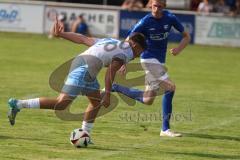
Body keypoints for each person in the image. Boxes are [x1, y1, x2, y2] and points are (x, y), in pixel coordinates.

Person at [7, 19, 147, 141]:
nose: (139, 55)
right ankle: (18, 104)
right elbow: (110, 72)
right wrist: (108, 94)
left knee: (95, 102)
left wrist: (62, 34)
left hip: (84, 66)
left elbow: (83, 39)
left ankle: (85, 135)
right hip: (85, 69)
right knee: (61, 104)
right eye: (141, 51)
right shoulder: (128, 51)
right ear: (135, 45)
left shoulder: (111, 41)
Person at [111, 0, 191, 137]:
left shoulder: (170, 18)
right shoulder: (145, 22)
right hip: (148, 59)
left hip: (159, 62)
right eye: (154, 6)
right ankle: (165, 129)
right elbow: (127, 40)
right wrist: (123, 60)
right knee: (170, 87)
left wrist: (179, 48)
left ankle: (116, 87)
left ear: (164, 6)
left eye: (160, 6)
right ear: (150, 6)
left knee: (148, 100)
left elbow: (186, 36)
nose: (156, 9)